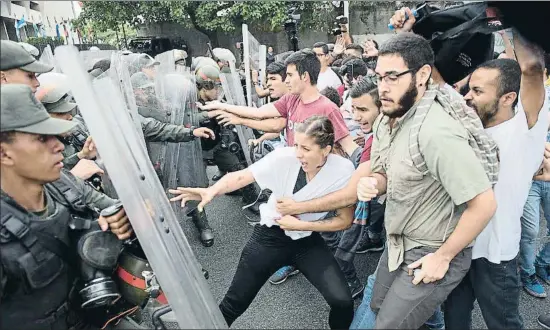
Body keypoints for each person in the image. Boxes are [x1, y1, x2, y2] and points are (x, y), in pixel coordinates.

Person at [358, 32, 498, 329]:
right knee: (377, 303)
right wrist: (375, 183)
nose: (382, 87)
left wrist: (443, 257)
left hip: (434, 248)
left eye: (393, 77)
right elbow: (384, 171)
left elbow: (484, 205)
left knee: (387, 325)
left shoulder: (436, 132)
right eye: (379, 77)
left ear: (422, 75)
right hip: (399, 239)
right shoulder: (387, 118)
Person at [169, 116, 355, 329]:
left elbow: (345, 220)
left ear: (326, 149)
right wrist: (212, 190)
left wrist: (302, 226)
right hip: (270, 237)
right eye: (296, 145)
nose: (298, 153)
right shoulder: (284, 157)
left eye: (305, 148)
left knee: (343, 302)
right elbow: (241, 177)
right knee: (233, 304)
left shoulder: (343, 171)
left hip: (308, 240)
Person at [0, 84, 133, 329]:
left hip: (91, 315)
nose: (59, 145)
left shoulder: (62, 183)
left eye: (54, 134)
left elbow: (116, 207)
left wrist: (122, 217)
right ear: (4, 154)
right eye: (42, 138)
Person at [445, 30, 548, 329]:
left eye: (478, 92)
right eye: (469, 89)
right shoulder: (469, 123)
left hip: (495, 256)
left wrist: (513, 25)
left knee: (504, 324)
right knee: (455, 321)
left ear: (508, 97)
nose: (468, 97)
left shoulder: (526, 129)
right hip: (458, 247)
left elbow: (531, 69)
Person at [201, 49, 359, 160]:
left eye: (290, 75)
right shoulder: (291, 99)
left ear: (304, 76)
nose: (287, 80)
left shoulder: (327, 108)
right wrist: (222, 107)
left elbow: (349, 146)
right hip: (294, 170)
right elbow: (260, 113)